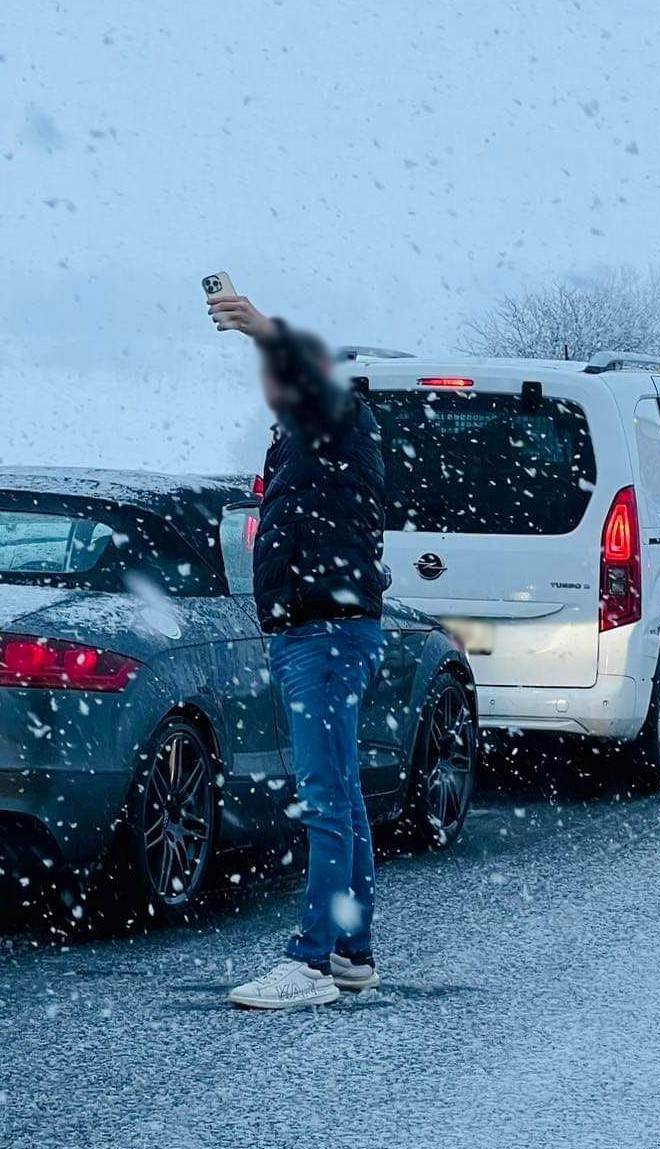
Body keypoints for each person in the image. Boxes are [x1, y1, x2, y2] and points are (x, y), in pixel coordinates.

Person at [211, 293, 390, 1010]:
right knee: (341, 796)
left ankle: (311, 961)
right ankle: (351, 954)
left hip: (326, 634)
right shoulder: (302, 445)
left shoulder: (337, 423)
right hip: (315, 631)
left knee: (324, 798)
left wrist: (264, 329)